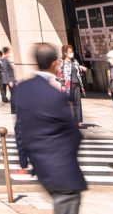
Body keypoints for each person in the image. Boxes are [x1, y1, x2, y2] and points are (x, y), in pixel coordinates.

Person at [14, 43, 86, 214]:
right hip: (60, 165)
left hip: (39, 164)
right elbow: (74, 134)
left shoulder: (22, 88)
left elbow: (20, 127)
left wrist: (23, 159)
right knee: (68, 200)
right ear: (54, 63)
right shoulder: (55, 95)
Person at [57, 45, 86, 126]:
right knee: (69, 104)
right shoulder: (61, 62)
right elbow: (59, 74)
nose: (72, 53)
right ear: (65, 53)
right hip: (67, 85)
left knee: (77, 103)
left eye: (72, 51)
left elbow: (78, 72)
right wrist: (62, 84)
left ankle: (78, 121)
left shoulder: (75, 61)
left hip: (76, 84)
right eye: (70, 52)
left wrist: (81, 68)